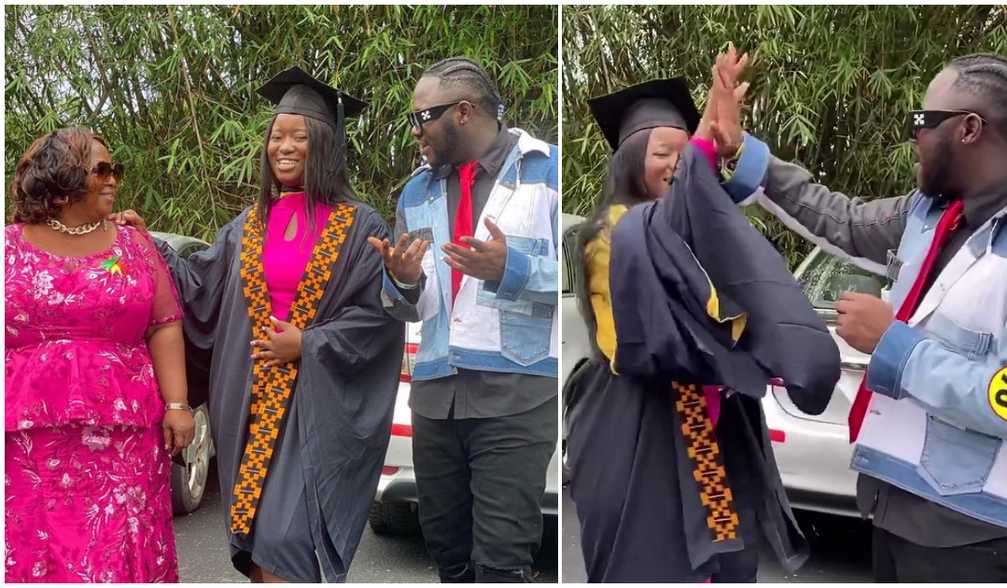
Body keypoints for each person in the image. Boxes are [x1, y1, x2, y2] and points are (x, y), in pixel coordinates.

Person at [722, 53, 1007, 581]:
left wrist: (895, 346)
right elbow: (843, 221)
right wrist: (745, 153)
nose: (913, 138)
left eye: (921, 122)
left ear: (969, 129)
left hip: (981, 534)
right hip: (896, 507)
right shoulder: (934, 213)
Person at [114, 67, 405, 583]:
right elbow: (200, 286)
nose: (284, 147)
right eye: (277, 136)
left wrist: (309, 343)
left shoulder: (361, 224)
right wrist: (147, 244)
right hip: (247, 398)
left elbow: (375, 320)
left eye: (300, 136)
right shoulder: (249, 223)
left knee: (286, 539)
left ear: (327, 144)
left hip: (315, 406)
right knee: (256, 539)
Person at [564, 46, 841, 582]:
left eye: (681, 154)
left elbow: (728, 254)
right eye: (662, 153)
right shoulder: (609, 234)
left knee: (720, 553)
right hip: (640, 422)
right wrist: (701, 149)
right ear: (629, 159)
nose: (674, 165)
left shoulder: (690, 230)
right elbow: (640, 339)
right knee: (651, 556)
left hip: (712, 418)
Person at [370, 57, 558, 582]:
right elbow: (409, 303)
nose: (415, 132)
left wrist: (511, 267)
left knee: (501, 561)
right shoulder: (416, 191)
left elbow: (588, 274)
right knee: (448, 555)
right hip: (436, 396)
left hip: (516, 395)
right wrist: (401, 280)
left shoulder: (547, 171)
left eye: (420, 117)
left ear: (463, 111)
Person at [5, 127, 193, 582]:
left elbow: (164, 325)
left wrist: (178, 405)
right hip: (29, 439)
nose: (113, 180)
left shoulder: (133, 244)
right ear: (64, 176)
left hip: (124, 436)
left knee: (118, 545)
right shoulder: (7, 247)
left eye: (116, 171)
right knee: (35, 544)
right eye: (102, 170)